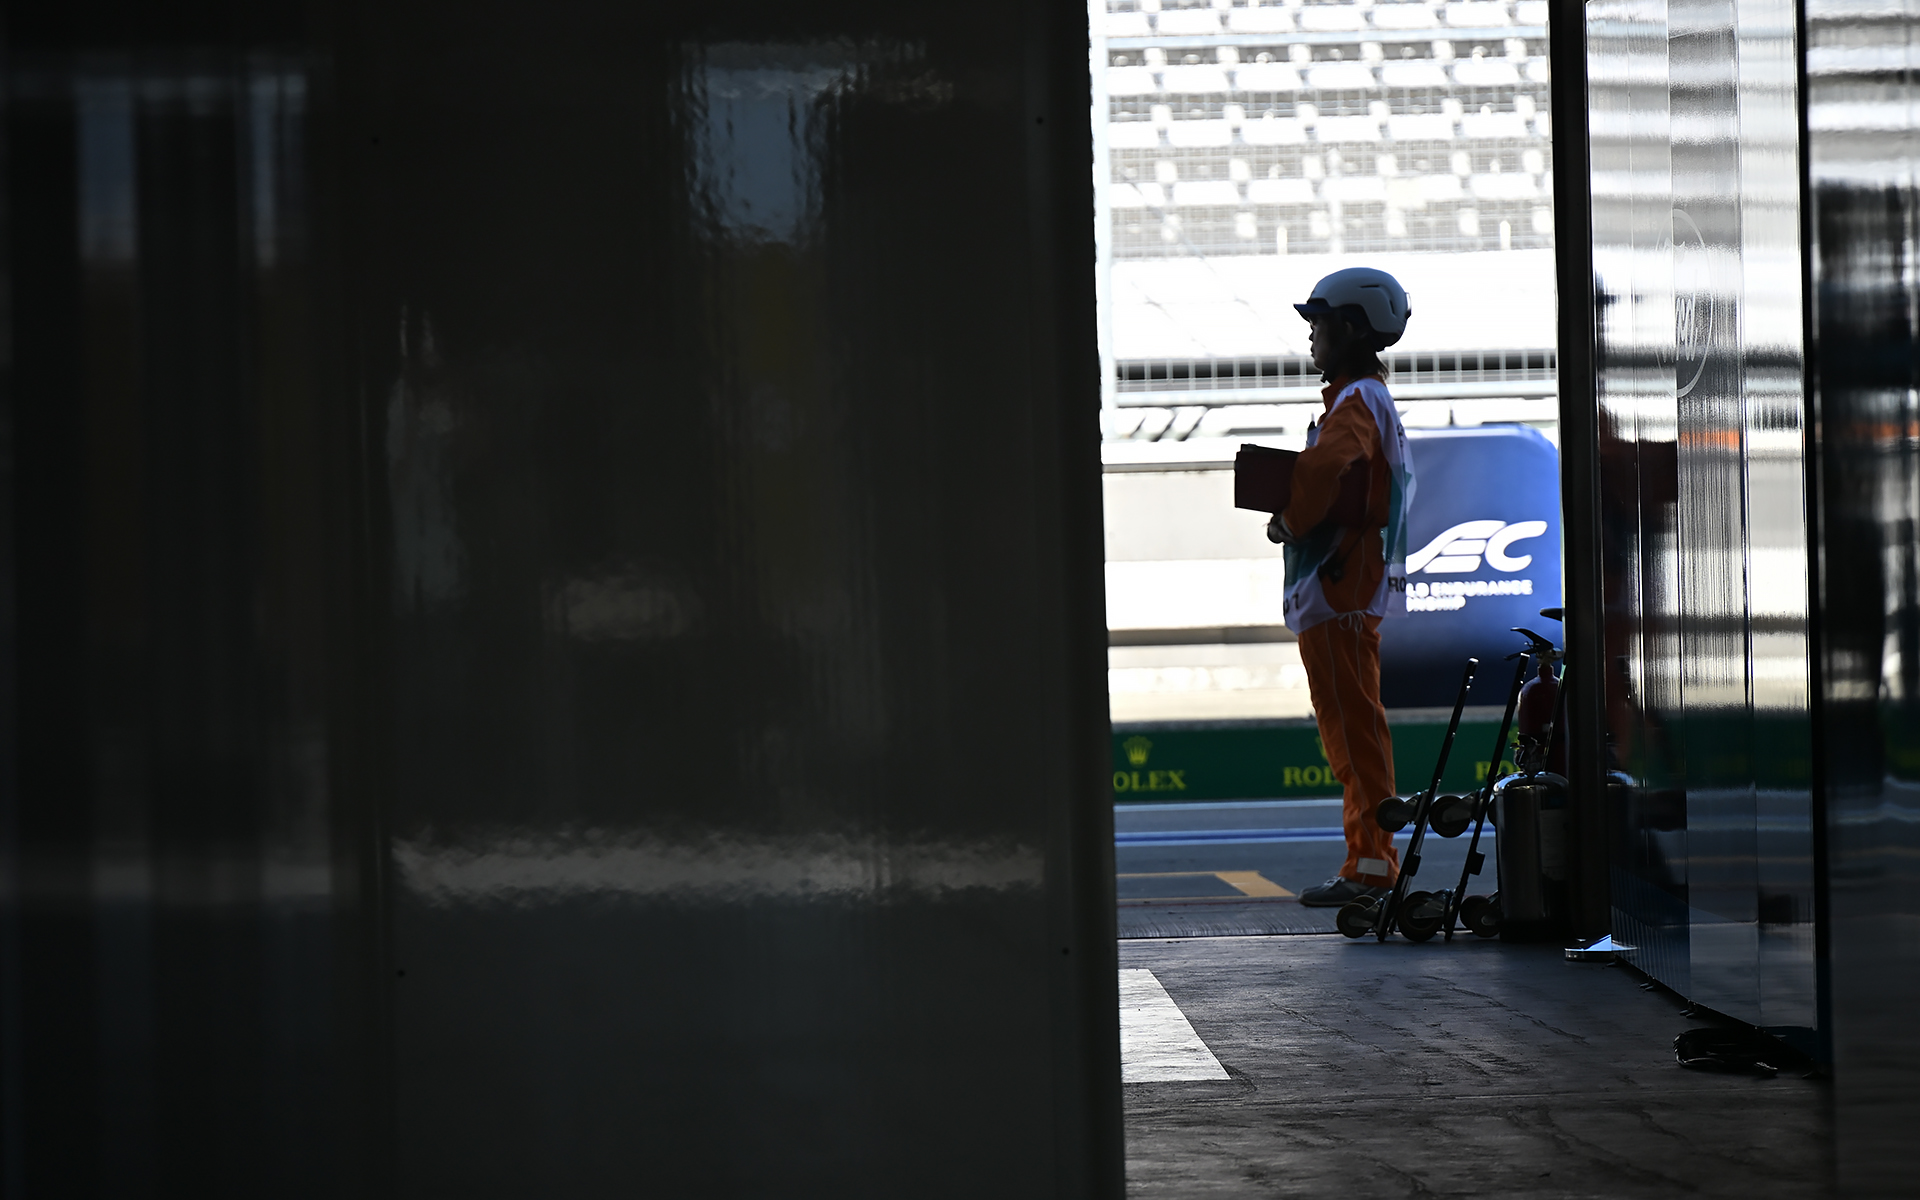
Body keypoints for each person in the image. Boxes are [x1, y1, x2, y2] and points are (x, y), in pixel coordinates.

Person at [1267, 268, 1417, 908]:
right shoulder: (1365, 397)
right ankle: (1369, 861)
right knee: (1352, 730)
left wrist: (1289, 520)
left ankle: (1372, 867)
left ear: (1351, 328)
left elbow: (1328, 464)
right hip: (1344, 589)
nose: (1311, 337)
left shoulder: (1357, 399)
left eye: (1319, 324)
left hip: (1338, 588)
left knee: (1352, 734)